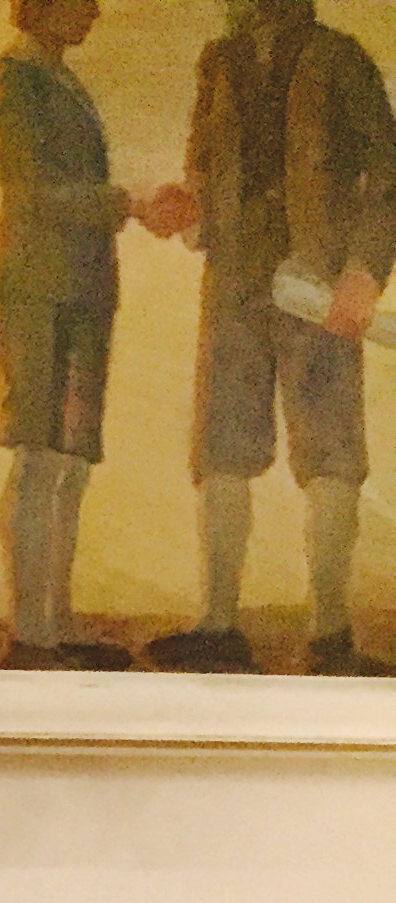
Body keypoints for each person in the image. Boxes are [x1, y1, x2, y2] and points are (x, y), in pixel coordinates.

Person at [146, 0, 396, 674]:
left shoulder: (339, 58)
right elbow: (203, 165)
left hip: (319, 285)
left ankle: (330, 637)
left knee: (331, 450)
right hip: (234, 280)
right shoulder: (219, 61)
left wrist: (364, 272)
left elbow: (387, 178)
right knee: (222, 446)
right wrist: (188, 206)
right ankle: (218, 625)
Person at [0, 0, 193, 668]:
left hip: (80, 289)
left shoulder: (55, 76)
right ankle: (31, 634)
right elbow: (35, 194)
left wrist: (133, 204)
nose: (95, 10)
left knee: (71, 460)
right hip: (37, 289)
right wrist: (130, 203)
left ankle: (56, 623)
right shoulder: (17, 77)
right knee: (38, 454)